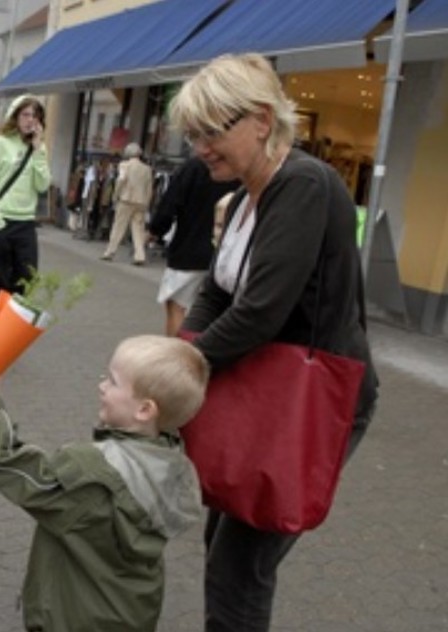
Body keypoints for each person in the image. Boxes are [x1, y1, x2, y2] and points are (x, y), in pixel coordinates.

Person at [169, 53, 379, 632]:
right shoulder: (242, 199)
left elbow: (260, 312)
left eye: (212, 131)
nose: (201, 148)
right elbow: (216, 293)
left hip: (312, 402)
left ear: (261, 120)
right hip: (268, 393)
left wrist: (177, 364)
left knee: (241, 566)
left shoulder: (304, 184)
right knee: (225, 546)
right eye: (194, 135)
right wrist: (181, 351)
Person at [0, 335, 209, 632]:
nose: (101, 386)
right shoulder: (172, 460)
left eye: (113, 382)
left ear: (144, 410)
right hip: (132, 612)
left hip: (74, 618)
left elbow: (12, 467)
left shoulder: (92, 470)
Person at [0, 94, 50, 325]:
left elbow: (42, 185)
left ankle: (7, 329)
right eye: (26, 115)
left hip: (26, 224)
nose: (31, 120)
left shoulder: (39, 148)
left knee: (27, 280)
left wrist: (38, 151)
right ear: (15, 117)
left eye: (36, 116)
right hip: (2, 222)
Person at [147, 157, 240, 336]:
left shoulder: (195, 166)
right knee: (215, 309)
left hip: (189, 248)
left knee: (177, 305)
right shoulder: (240, 166)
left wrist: (155, 230)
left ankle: (178, 355)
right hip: (226, 251)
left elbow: (170, 203)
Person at [101, 142, 152, 265]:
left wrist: (115, 195)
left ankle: (110, 252)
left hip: (126, 199)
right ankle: (140, 255)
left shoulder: (124, 165)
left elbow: (121, 180)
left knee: (119, 226)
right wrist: (147, 202)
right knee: (138, 229)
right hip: (141, 201)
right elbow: (149, 188)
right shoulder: (147, 169)